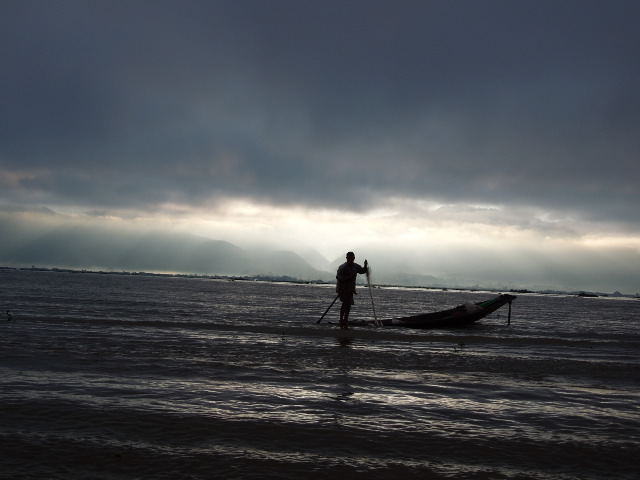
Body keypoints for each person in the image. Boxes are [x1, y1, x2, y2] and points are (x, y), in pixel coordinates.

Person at [335, 252, 368, 329]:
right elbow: (338, 277)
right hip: (342, 288)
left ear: (354, 258)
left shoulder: (355, 266)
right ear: (346, 258)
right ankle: (341, 319)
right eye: (349, 258)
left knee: (349, 304)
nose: (351, 259)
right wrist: (347, 278)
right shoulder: (342, 267)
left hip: (350, 288)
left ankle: (345, 319)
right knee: (344, 303)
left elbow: (362, 271)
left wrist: (365, 266)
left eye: (352, 258)